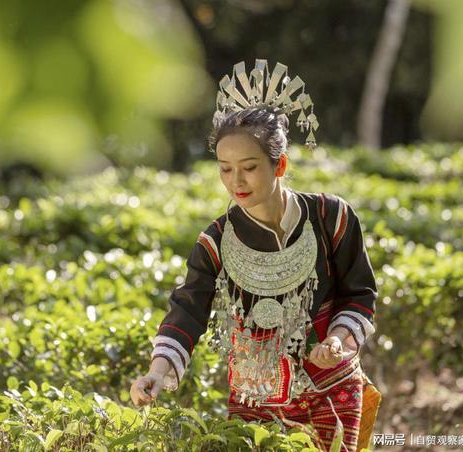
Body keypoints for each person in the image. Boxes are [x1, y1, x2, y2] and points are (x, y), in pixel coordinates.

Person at [129, 60, 378, 452]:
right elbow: (187, 309)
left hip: (332, 387)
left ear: (279, 164)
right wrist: (158, 372)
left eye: (248, 167)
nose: (236, 182)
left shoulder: (332, 217)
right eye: (225, 169)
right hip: (255, 396)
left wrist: (338, 340)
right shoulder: (215, 240)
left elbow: (359, 294)